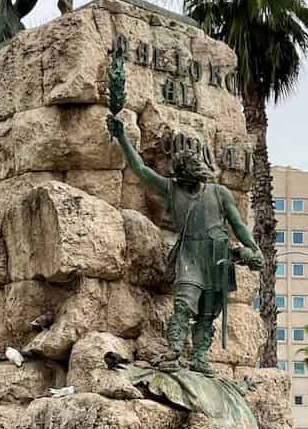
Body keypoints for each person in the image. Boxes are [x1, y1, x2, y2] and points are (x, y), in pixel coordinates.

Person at [107, 121, 263, 373]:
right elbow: (140, 169)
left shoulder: (219, 192)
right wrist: (122, 137)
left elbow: (238, 224)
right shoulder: (171, 188)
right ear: (182, 174)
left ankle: (200, 357)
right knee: (184, 301)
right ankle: (174, 350)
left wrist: (253, 249)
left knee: (208, 312)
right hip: (190, 255)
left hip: (217, 257)